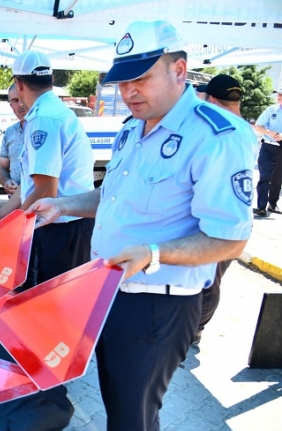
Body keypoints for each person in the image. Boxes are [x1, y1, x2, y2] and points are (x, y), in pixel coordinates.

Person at [27, 21, 256, 431]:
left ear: (179, 70)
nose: (128, 91)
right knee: (121, 404)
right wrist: (62, 204)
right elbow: (113, 198)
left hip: (156, 304)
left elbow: (229, 239)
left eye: (141, 78)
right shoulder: (133, 128)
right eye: (121, 81)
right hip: (109, 290)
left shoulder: (217, 135)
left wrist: (154, 253)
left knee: (132, 416)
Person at [0, 50, 95, 287]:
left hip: (64, 230)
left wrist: (11, 229)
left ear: (19, 83)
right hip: (66, 226)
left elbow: (45, 190)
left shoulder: (42, 118)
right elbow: (30, 185)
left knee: (56, 306)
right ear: (52, 80)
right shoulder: (52, 112)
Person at [194, 74, 257, 347]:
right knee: (210, 279)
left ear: (211, 99)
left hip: (221, 218)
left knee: (209, 280)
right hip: (230, 216)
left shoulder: (229, 131)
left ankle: (195, 330)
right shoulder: (245, 129)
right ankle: (195, 328)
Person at [253, 88, 282, 217]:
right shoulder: (271, 111)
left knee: (277, 178)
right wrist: (270, 133)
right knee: (265, 176)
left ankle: (272, 204)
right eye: (279, 94)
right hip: (267, 147)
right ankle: (261, 207)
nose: (279, 97)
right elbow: (258, 126)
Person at [0, 83, 28, 196]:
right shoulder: (10, 132)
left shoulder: (45, 128)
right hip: (15, 204)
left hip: (40, 204)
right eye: (15, 100)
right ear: (10, 105)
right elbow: (2, 167)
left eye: (23, 99)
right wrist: (6, 182)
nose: (20, 104)